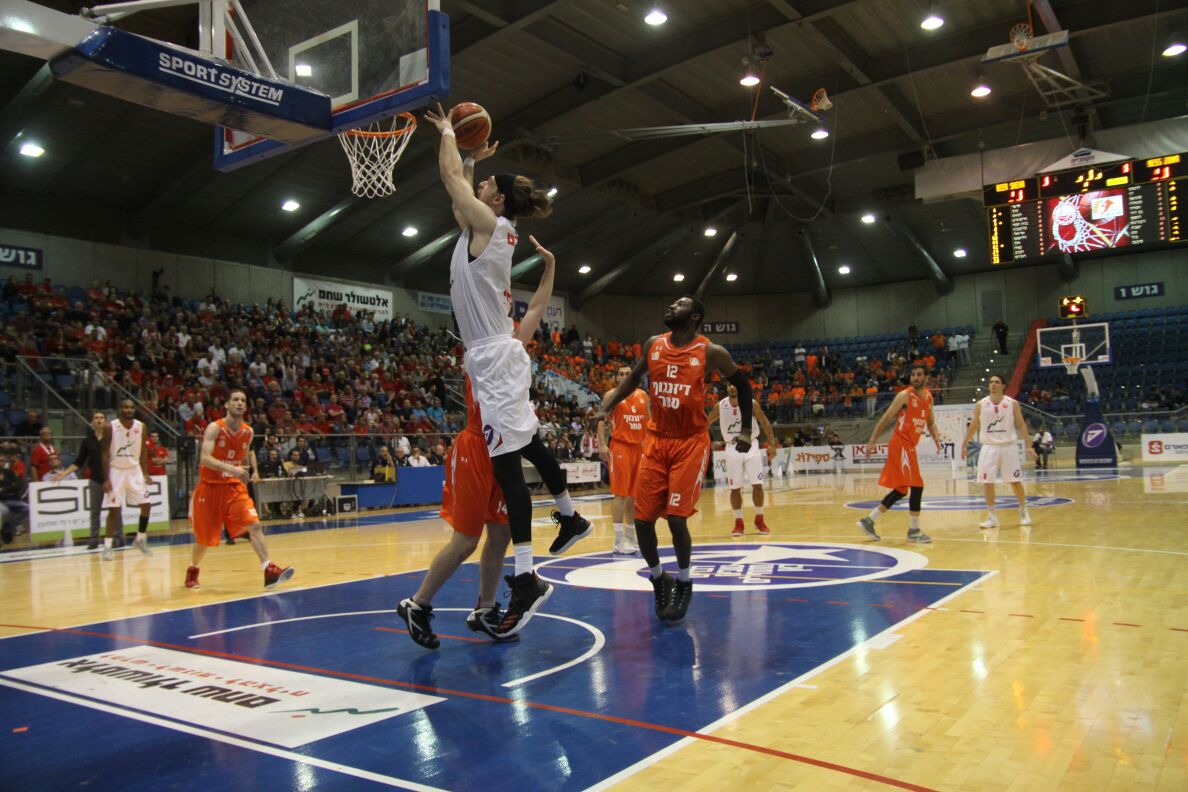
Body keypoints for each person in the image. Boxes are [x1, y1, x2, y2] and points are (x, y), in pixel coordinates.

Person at [425, 103, 589, 637]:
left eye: (485, 187)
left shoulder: (490, 227)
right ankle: (567, 514)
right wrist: (474, 159)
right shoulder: (489, 228)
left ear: (494, 201)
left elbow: (451, 180)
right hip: (498, 354)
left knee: (506, 467)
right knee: (525, 447)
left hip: (495, 357)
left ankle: (525, 575)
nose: (477, 192)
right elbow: (459, 195)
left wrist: (450, 132)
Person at [397, 238, 557, 648]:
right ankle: (418, 603)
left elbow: (536, 308)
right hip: (474, 450)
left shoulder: (512, 345)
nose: (506, 312)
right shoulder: (480, 344)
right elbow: (477, 291)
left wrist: (550, 268)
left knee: (502, 533)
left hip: (502, 449)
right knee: (466, 540)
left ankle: (486, 608)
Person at [601, 295, 755, 623]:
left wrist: (744, 430)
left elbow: (743, 386)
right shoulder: (653, 345)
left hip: (690, 442)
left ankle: (684, 582)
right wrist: (606, 406)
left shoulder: (711, 352)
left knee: (675, 518)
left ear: (696, 316)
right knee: (642, 520)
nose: (671, 306)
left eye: (680, 304)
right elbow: (633, 379)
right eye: (671, 303)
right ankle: (659, 578)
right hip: (656, 440)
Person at [186, 389, 293, 591]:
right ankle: (193, 568)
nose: (239, 403)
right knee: (204, 539)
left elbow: (243, 457)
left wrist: (247, 475)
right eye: (235, 400)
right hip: (210, 486)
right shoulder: (214, 428)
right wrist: (231, 468)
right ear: (227, 405)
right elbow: (205, 459)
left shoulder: (248, 431)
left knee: (254, 525)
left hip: (233, 487)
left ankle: (268, 569)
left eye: (243, 400)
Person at [856, 366, 942, 544]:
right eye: (913, 374)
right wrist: (872, 440)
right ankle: (914, 530)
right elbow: (886, 418)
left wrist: (936, 439)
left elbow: (931, 422)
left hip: (909, 445)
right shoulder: (904, 396)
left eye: (919, 374)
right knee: (917, 485)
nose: (915, 377)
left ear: (926, 378)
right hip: (900, 443)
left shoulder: (928, 398)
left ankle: (869, 520)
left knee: (902, 489)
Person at [961, 374, 1036, 528]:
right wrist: (964, 444)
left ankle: (1023, 511)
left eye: (997, 382)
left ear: (1003, 386)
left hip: (1008, 446)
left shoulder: (1012, 403)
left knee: (1015, 481)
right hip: (988, 447)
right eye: (991, 382)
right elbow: (974, 425)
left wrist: (1028, 444)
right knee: (987, 482)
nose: (993, 384)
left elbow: (1021, 424)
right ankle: (992, 516)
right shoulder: (981, 404)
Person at [708, 383, 778, 537]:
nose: (733, 387)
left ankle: (759, 519)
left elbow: (765, 423)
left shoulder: (751, 403)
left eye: (735, 384)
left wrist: (772, 443)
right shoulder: (720, 406)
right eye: (730, 385)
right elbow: (704, 424)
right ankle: (738, 522)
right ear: (727, 388)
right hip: (732, 448)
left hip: (751, 445)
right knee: (735, 488)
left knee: (757, 485)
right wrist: (708, 441)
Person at [597, 365, 648, 554]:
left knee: (634, 496)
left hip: (640, 448)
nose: (624, 376)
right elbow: (600, 420)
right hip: (620, 447)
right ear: (617, 377)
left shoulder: (643, 396)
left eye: (628, 374)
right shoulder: (611, 395)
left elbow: (649, 422)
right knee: (620, 494)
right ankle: (618, 541)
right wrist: (602, 444)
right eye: (621, 374)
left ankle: (629, 536)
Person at [100, 399, 154, 560]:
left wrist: (145, 472)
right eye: (125, 407)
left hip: (134, 470)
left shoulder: (141, 426)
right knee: (114, 511)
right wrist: (106, 478)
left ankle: (140, 539)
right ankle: (107, 547)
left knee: (146, 505)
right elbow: (103, 453)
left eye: (131, 408)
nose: (129, 410)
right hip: (116, 471)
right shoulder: (111, 427)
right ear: (120, 409)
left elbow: (144, 451)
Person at [55, 411, 107, 549]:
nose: (99, 420)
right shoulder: (87, 441)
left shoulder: (111, 438)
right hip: (95, 479)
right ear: (92, 422)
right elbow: (79, 461)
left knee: (116, 510)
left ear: (105, 422)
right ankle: (94, 540)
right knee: (94, 511)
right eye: (96, 418)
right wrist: (64, 473)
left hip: (112, 479)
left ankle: (118, 538)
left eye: (102, 418)